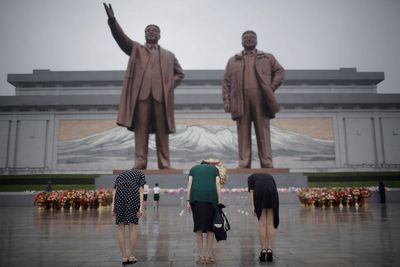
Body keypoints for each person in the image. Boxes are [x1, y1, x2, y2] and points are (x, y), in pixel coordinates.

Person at [104, 3, 185, 169]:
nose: (151, 32)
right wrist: (113, 22)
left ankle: (164, 163)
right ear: (144, 34)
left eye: (154, 30)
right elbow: (122, 39)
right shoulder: (136, 49)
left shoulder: (169, 55)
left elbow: (180, 74)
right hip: (141, 97)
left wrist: (169, 85)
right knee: (141, 131)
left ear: (160, 35)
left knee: (162, 131)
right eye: (148, 30)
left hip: (161, 97)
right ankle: (140, 162)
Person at [223, 30, 284, 168]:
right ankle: (244, 163)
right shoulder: (233, 60)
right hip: (240, 100)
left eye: (252, 37)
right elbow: (226, 82)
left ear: (256, 40)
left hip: (261, 99)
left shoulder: (267, 57)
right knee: (243, 132)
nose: (249, 39)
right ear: (241, 41)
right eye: (246, 38)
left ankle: (267, 162)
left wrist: (271, 87)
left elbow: (280, 72)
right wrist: (227, 101)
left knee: (263, 131)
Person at [186, 160, 222, 264]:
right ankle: (209, 256)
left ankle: (201, 256)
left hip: (196, 198)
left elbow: (189, 184)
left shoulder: (193, 169)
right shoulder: (214, 169)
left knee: (198, 228)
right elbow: (218, 184)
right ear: (208, 165)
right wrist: (219, 202)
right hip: (211, 198)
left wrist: (188, 201)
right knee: (211, 228)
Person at [112, 169, 146, 265]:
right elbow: (141, 190)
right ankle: (131, 256)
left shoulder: (120, 174)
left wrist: (113, 206)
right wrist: (141, 207)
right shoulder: (140, 174)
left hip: (120, 195)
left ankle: (124, 257)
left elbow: (115, 190)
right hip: (133, 193)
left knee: (120, 226)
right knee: (133, 226)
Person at [248, 173, 279, 262]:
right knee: (270, 223)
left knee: (262, 224)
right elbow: (274, 189)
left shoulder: (250, 178)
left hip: (259, 192)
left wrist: (253, 207)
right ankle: (269, 250)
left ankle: (263, 250)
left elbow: (252, 192)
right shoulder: (270, 176)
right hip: (272, 193)